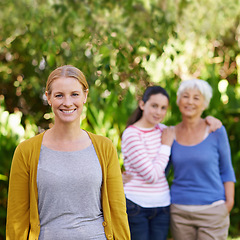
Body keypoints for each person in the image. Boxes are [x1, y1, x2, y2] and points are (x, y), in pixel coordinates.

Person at [6, 65, 130, 240]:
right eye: (59, 95)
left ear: (85, 95)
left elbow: (118, 211)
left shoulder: (104, 147)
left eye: (74, 94)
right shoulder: (26, 151)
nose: (67, 102)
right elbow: (16, 219)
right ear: (48, 97)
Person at [170, 79, 236, 240]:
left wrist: (228, 204)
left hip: (213, 210)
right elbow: (159, 170)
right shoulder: (169, 133)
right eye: (185, 96)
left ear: (204, 104)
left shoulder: (216, 131)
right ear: (179, 101)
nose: (190, 101)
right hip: (179, 211)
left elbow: (227, 170)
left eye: (196, 98)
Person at [121, 86, 175, 240]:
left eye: (163, 108)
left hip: (162, 205)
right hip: (136, 206)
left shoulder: (164, 131)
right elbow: (151, 175)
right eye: (154, 106)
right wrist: (166, 146)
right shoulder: (132, 134)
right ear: (142, 104)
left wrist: (211, 122)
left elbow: (189, 133)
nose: (158, 112)